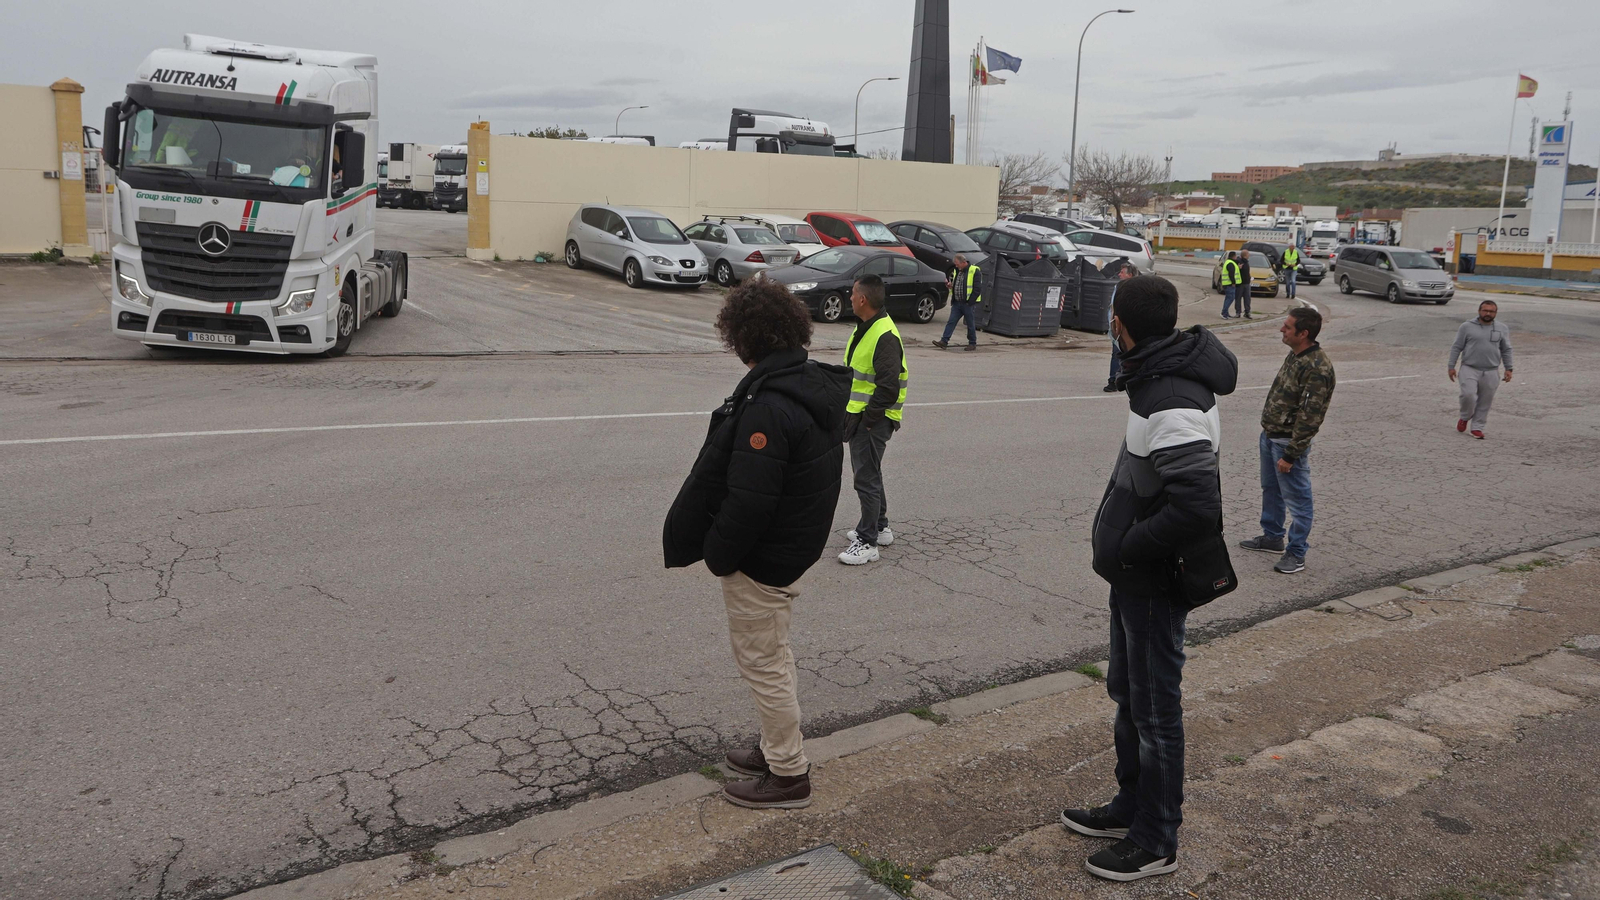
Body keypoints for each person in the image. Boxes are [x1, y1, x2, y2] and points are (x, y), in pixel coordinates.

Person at [1067, 274, 1238, 883]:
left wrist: (1130, 550)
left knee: (1156, 712)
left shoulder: (1170, 399)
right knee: (1129, 694)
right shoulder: (1156, 380)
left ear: (1120, 326)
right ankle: (1130, 805)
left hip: (1154, 583)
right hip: (1134, 580)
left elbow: (1197, 505)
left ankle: (1156, 838)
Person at [662, 279, 850, 810]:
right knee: (774, 653)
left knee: (763, 662)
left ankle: (789, 774)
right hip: (792, 549)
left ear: (743, 339)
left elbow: (750, 500)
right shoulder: (808, 384)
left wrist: (720, 554)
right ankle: (776, 748)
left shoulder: (769, 405)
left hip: (765, 557)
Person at [1240, 307, 1336, 575]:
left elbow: (1311, 417)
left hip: (1287, 444)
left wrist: (1292, 454)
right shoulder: (1295, 355)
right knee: (1271, 490)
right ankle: (1272, 537)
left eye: (1287, 326)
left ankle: (1296, 553)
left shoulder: (1317, 368)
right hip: (1270, 436)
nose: (1282, 329)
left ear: (1303, 333)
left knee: (1298, 500)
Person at [838, 274, 907, 565]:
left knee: (865, 478)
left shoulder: (883, 335)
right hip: (864, 416)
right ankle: (880, 527)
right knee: (871, 473)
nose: (850, 297)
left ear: (863, 299)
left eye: (853, 293)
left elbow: (888, 386)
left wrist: (869, 419)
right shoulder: (867, 328)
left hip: (873, 419)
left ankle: (868, 542)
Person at [1449, 300, 1513, 439]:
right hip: (1469, 368)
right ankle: (1465, 417)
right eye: (1485, 310)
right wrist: (1451, 366)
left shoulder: (1502, 328)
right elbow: (1456, 347)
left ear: (1495, 313)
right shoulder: (1466, 326)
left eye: (1491, 311)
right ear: (1479, 311)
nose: (1488, 313)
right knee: (1468, 395)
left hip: (1491, 370)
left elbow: (1506, 349)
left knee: (1485, 401)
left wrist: (1509, 368)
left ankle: (1477, 428)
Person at [933, 253, 981, 351]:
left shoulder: (974, 270)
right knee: (951, 322)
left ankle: (972, 343)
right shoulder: (957, 271)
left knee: (970, 324)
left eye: (957, 263)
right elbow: (958, 285)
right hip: (957, 303)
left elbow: (977, 289)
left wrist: (970, 302)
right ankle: (944, 341)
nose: (956, 265)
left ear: (963, 262)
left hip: (967, 303)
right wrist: (951, 286)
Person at [1104, 260, 1137, 392]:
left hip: (1130, 326)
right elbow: (1112, 306)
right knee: (1117, 353)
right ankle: (1113, 380)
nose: (1119, 274)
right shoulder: (1118, 287)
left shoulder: (1136, 289)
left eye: (1122, 272)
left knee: (1131, 352)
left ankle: (1129, 378)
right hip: (1117, 326)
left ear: (1130, 275)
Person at [1219, 252, 1241, 319]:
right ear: (1234, 256)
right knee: (1230, 298)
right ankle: (1224, 313)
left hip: (1227, 284)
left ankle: (1226, 313)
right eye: (1236, 256)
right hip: (1229, 284)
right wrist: (1233, 282)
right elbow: (1231, 274)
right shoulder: (1230, 263)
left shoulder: (1229, 262)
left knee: (1228, 299)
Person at [1235, 251, 1253, 319]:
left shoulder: (1246, 262)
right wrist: (1238, 267)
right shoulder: (1239, 261)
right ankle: (1238, 312)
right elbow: (1235, 270)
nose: (1249, 255)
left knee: (1247, 299)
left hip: (1247, 283)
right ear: (1245, 255)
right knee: (1238, 298)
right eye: (1248, 254)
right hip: (1240, 283)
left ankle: (1247, 312)